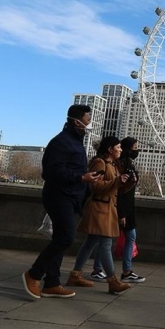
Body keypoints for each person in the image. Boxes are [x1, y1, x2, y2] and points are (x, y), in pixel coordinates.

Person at [22, 104, 103, 299]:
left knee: (60, 237)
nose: (89, 122)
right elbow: (50, 171)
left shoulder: (75, 142)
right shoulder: (61, 142)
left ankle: (52, 283)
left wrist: (86, 177)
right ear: (76, 121)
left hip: (70, 196)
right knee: (66, 237)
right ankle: (33, 274)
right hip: (59, 195)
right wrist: (80, 178)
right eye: (87, 119)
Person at [66, 136, 132, 294]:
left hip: (107, 208)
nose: (121, 150)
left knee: (90, 242)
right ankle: (112, 280)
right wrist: (117, 181)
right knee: (106, 244)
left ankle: (76, 274)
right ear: (110, 149)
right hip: (100, 208)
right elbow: (95, 186)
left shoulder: (113, 165)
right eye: (118, 147)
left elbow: (115, 188)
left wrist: (128, 183)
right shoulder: (99, 163)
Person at [90, 137, 145, 283]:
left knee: (99, 240)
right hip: (117, 207)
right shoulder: (114, 164)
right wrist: (121, 212)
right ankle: (118, 273)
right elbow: (114, 190)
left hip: (123, 207)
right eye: (134, 147)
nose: (137, 150)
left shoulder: (124, 163)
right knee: (107, 240)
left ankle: (94, 270)